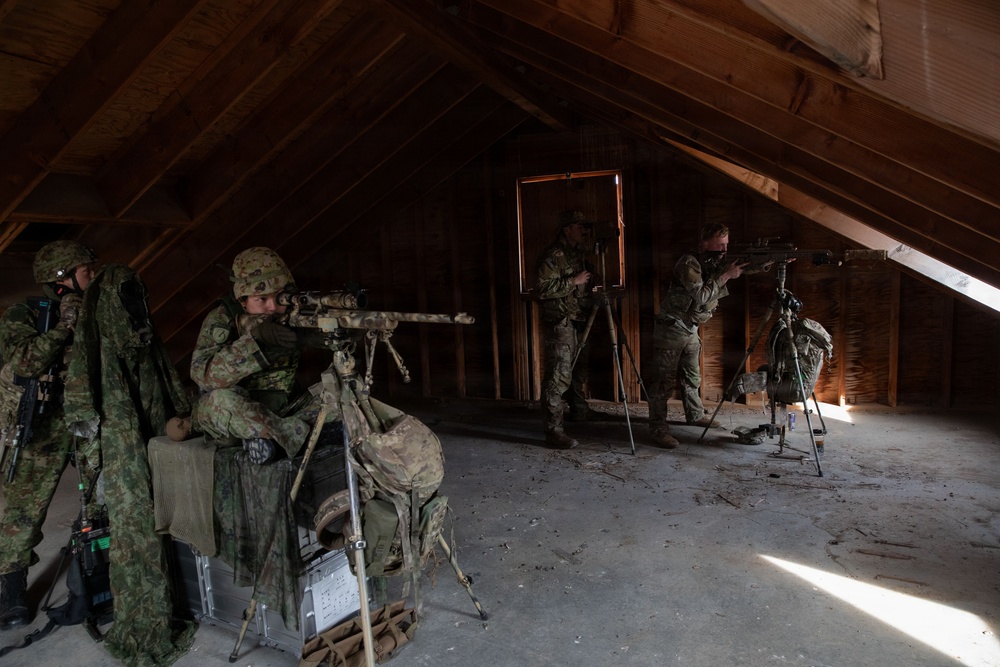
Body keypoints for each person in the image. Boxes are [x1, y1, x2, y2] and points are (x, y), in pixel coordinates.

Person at [63, 262, 196, 666]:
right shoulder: (103, 355)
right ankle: (145, 628)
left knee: (166, 517)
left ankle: (173, 605)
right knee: (137, 534)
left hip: (152, 445)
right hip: (124, 458)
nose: (137, 310)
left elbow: (167, 390)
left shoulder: (143, 344)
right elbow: (87, 411)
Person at [0, 240, 96, 630]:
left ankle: (99, 572)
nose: (93, 275)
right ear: (62, 278)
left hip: (87, 418)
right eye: (86, 270)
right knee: (24, 512)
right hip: (42, 424)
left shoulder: (96, 309)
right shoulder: (24, 314)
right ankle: (9, 589)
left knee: (102, 499)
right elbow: (24, 360)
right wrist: (63, 327)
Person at [187, 246, 332, 464]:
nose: (272, 307)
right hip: (242, 414)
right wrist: (255, 343)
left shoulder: (291, 314)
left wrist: (340, 330)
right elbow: (203, 376)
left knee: (341, 388)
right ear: (242, 300)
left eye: (279, 298)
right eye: (261, 299)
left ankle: (278, 438)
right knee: (217, 401)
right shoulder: (222, 319)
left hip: (288, 409)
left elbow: (325, 336)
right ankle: (298, 437)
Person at [647, 222, 746, 448]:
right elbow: (702, 296)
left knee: (692, 376)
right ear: (704, 243)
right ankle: (657, 429)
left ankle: (694, 413)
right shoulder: (688, 263)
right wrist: (727, 276)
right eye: (720, 244)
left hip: (689, 327)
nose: (724, 249)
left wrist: (769, 262)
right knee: (663, 383)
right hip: (671, 328)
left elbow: (740, 269)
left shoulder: (712, 261)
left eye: (726, 244)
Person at [536, 210, 598, 449]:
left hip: (578, 319)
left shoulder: (578, 254)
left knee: (578, 370)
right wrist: (573, 281)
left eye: (585, 226)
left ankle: (580, 411)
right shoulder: (554, 255)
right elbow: (541, 289)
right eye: (579, 226)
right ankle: (553, 431)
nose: (584, 230)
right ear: (566, 228)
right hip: (560, 322)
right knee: (558, 377)